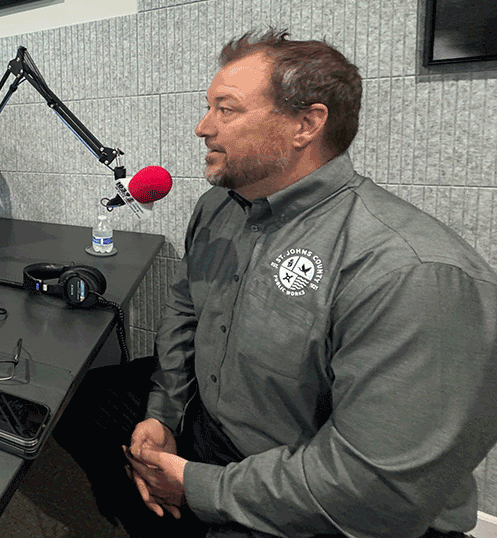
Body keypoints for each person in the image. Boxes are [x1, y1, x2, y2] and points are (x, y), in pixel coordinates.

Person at [55, 30, 497, 537]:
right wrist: (163, 414)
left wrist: (200, 488)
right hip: (214, 430)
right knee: (81, 401)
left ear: (306, 124)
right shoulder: (217, 207)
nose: (203, 127)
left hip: (325, 493)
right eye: (208, 108)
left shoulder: (415, 274)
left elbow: (378, 489)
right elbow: (185, 310)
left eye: (227, 109)